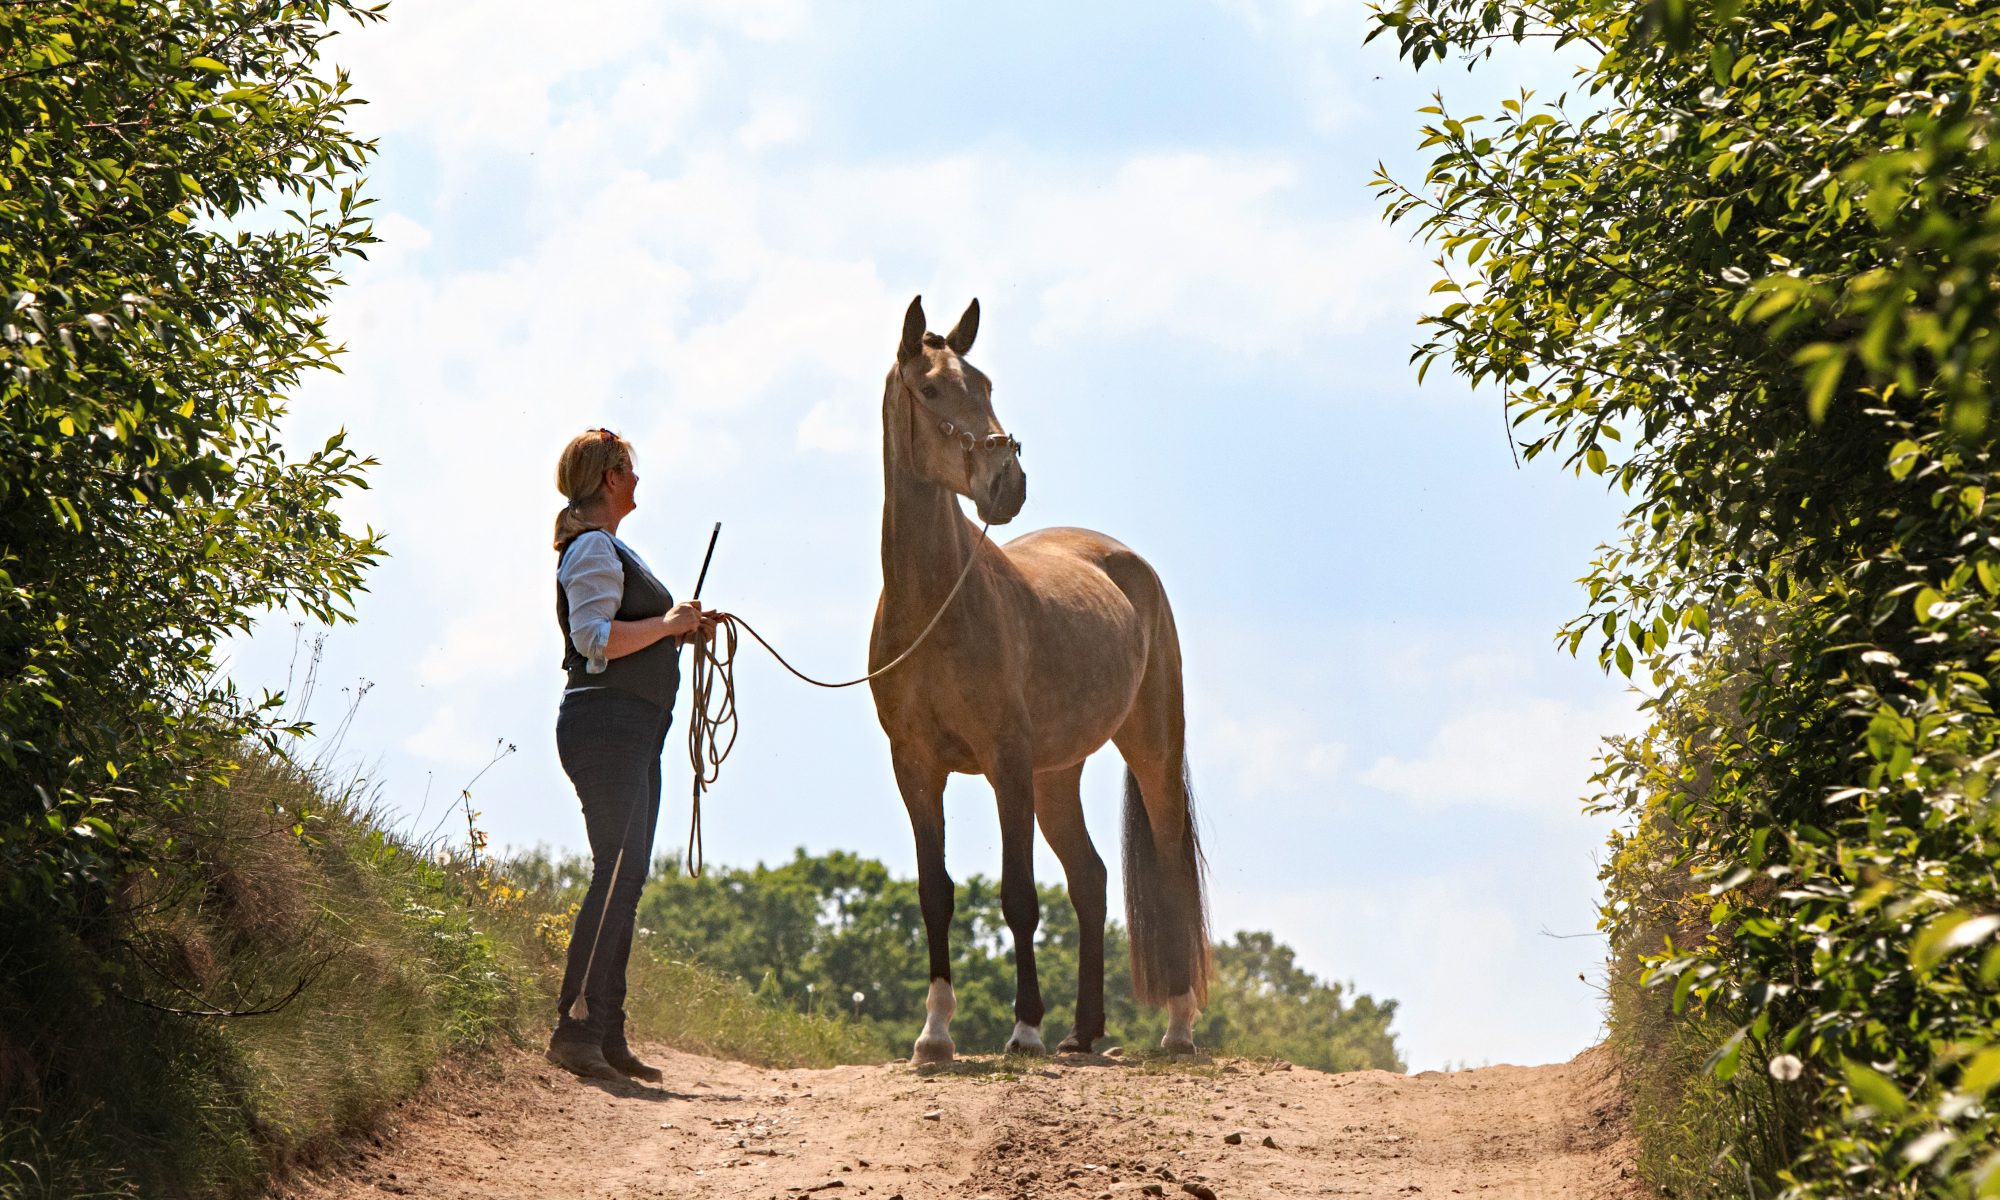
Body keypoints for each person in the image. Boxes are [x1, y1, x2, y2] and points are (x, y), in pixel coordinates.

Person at [546, 427, 714, 1082]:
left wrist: (677, 633)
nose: (639, 482)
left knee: (628, 874)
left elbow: (625, 635)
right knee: (616, 869)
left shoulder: (606, 546)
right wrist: (670, 625)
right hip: (607, 722)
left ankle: (606, 1030)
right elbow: (594, 640)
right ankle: (576, 1026)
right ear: (612, 477)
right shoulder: (593, 547)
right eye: (632, 471)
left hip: (632, 725)